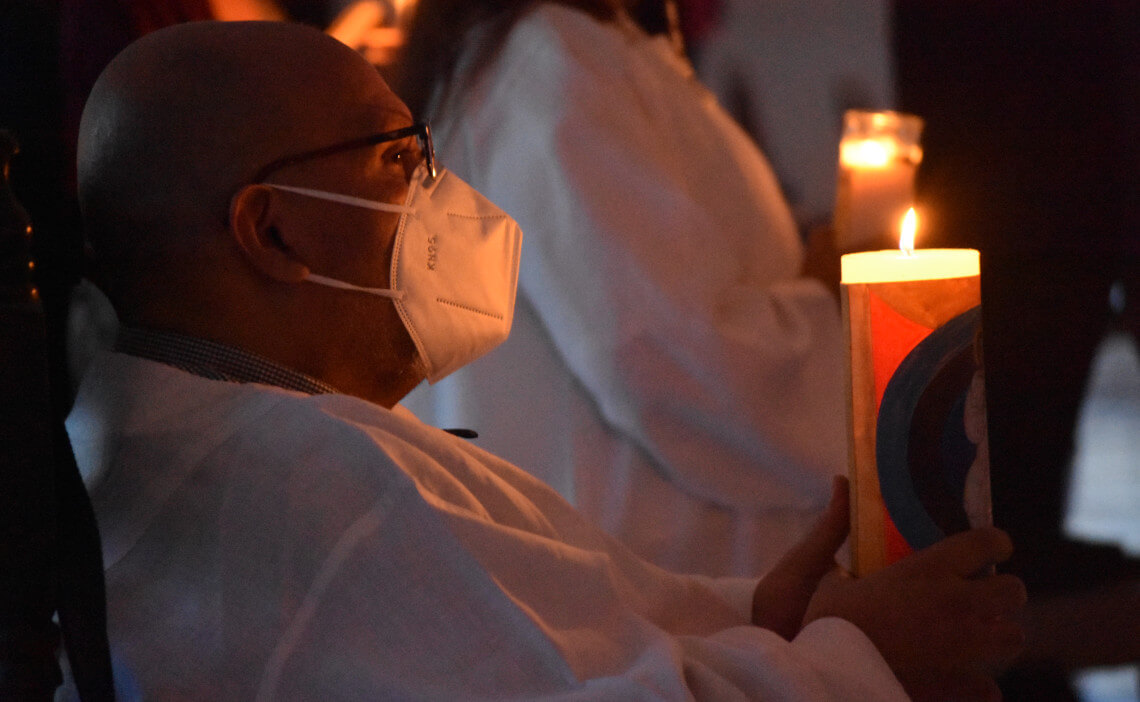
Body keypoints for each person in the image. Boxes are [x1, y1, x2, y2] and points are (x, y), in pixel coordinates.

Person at [63, 19, 1028, 700]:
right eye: (402, 161)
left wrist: (761, 615)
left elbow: (569, 641)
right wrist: (856, 656)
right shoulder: (302, 490)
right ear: (272, 232)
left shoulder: (267, 436)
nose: (444, 197)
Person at [393, 0, 851, 578]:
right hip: (655, 568)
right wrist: (826, 299)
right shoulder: (551, 63)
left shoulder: (563, 53)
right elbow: (659, 351)